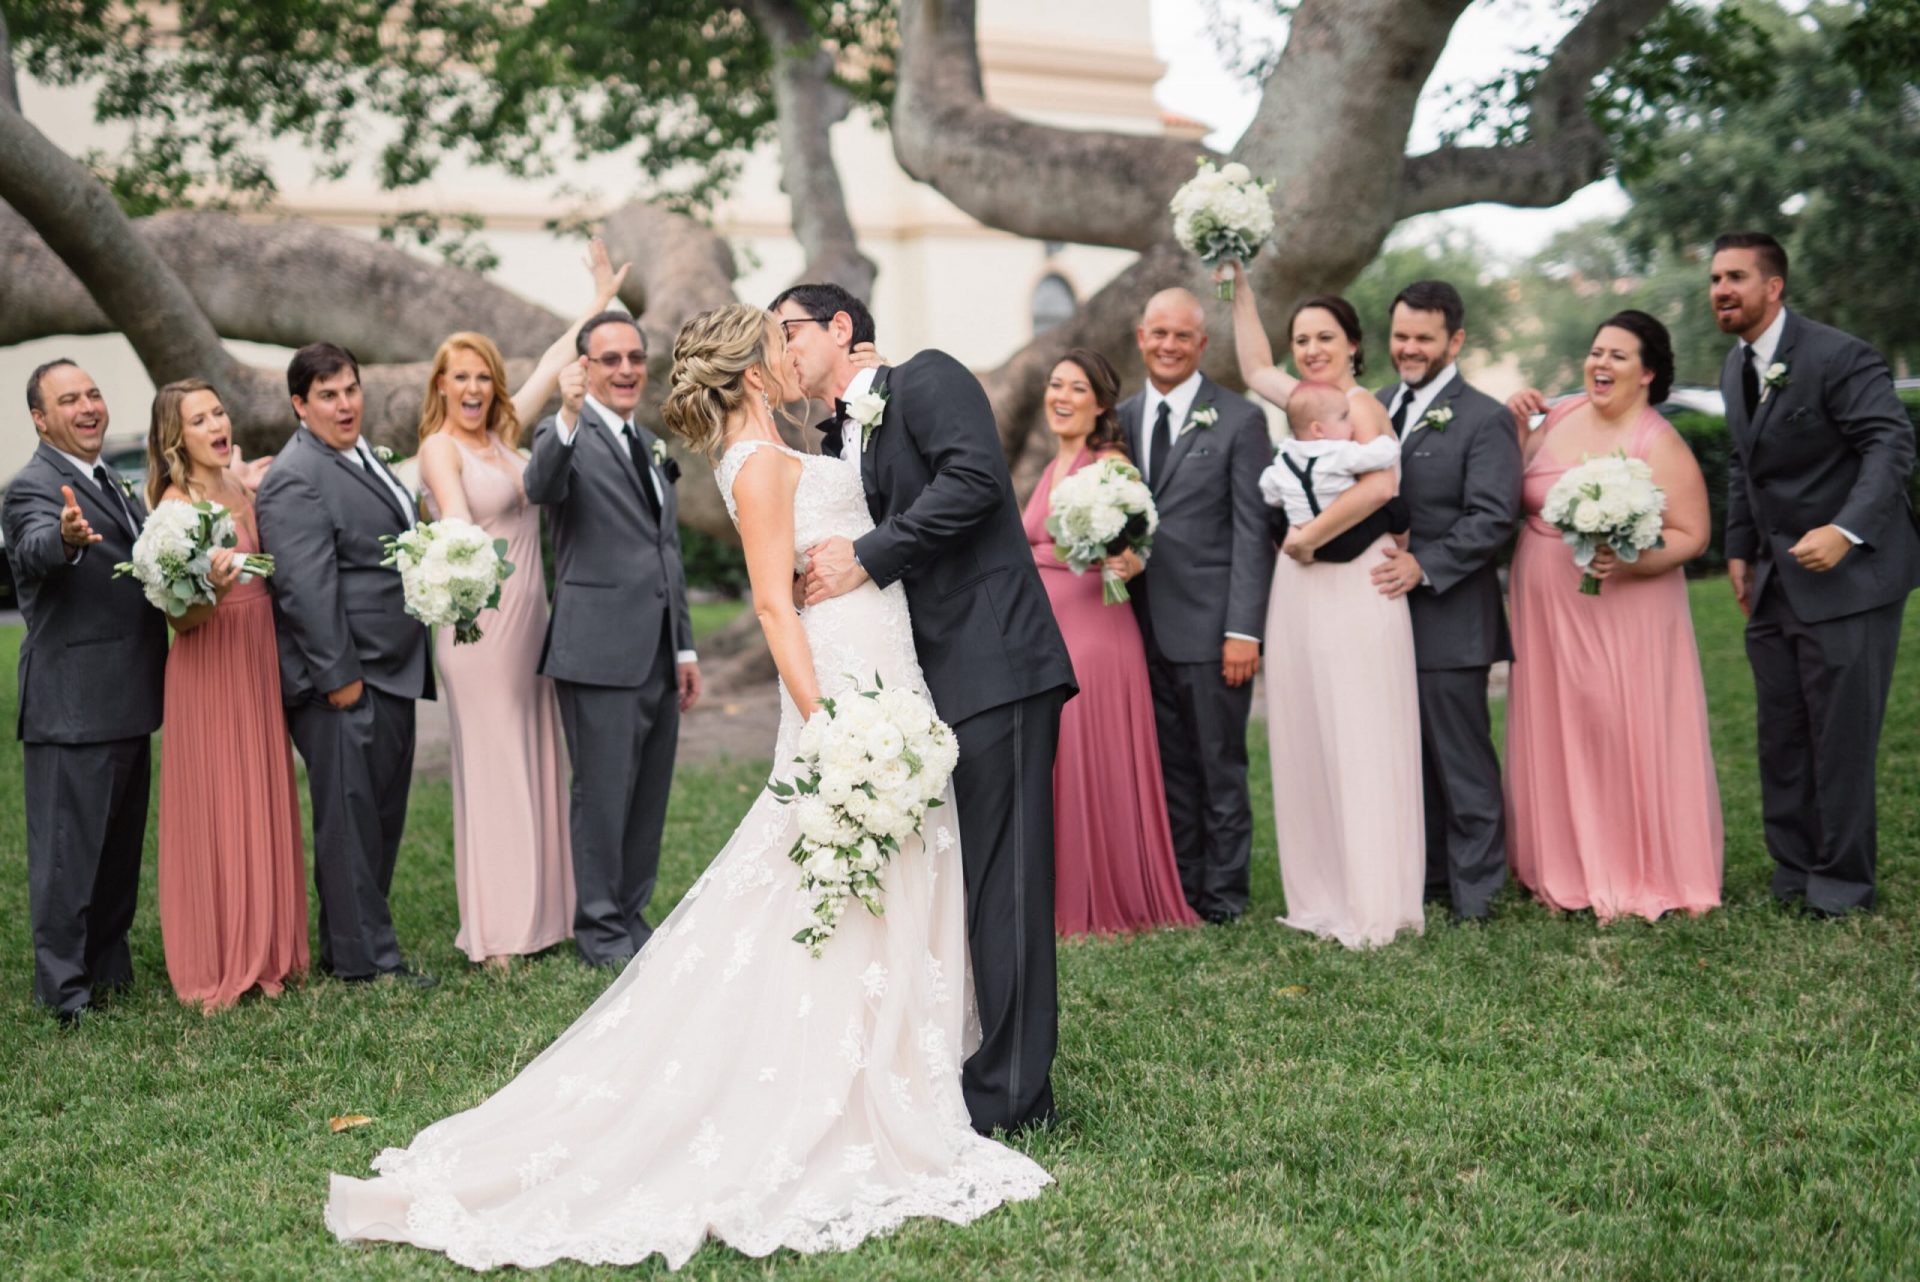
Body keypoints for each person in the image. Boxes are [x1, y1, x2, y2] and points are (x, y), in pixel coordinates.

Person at [326, 304, 1051, 1270]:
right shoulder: (756, 467)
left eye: (801, 334)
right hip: (843, 688)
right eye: (781, 343)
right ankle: (845, 1080)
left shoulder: (822, 432)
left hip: (893, 666)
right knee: (825, 885)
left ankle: (912, 1060)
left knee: (899, 870)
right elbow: (767, 601)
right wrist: (827, 721)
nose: (795, 356)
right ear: (757, 369)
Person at [780, 281, 1077, 1136]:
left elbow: (977, 481)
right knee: (973, 880)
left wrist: (869, 557)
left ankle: (1015, 1095)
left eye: (791, 332)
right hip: (931, 681)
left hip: (998, 662)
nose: (784, 349)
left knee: (1008, 884)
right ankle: (975, 1056)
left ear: (842, 328)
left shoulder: (927, 378)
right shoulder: (839, 433)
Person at [1227, 264, 1521, 921]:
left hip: (1432, 600)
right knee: (1392, 751)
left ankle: (1477, 895)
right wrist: (1239, 287)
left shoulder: (1468, 415)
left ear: (1455, 340)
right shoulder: (1363, 401)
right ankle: (1429, 879)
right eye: (1403, 335)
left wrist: (1322, 542)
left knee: (1456, 754)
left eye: (1424, 337)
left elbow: (1483, 513)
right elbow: (1253, 366)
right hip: (1365, 597)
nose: (1410, 347)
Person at [414, 241, 628, 970]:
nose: (473, 388)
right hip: (478, 629)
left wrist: (599, 299)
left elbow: (549, 364)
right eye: (460, 377)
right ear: (441, 385)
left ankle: (544, 916)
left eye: (483, 377)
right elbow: (450, 518)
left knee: (537, 760)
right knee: (497, 767)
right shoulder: (442, 448)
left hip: (533, 623)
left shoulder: (505, 441)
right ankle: (500, 932)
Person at [1711, 231, 1920, 915]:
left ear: (1774, 286)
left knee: (1842, 740)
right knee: (1782, 735)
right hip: (1774, 583)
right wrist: (1739, 550)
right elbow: (1746, 467)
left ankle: (1842, 885)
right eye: (1715, 279)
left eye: (1736, 276)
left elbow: (1889, 444)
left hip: (1850, 581)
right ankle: (1794, 872)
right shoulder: (1732, 368)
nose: (1721, 290)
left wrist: (1846, 530)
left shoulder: (1839, 355)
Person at [1223, 279, 1425, 948]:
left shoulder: (1362, 407)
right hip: (1299, 590)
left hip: (1353, 584)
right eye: (1302, 339)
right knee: (1305, 726)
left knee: (1359, 730)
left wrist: (1306, 537)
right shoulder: (1303, 400)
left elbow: (1382, 484)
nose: (1311, 350)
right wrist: (1241, 285)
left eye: (1325, 338)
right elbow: (1254, 367)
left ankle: (1371, 900)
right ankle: (1319, 894)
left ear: (1353, 345)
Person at [1503, 311, 1722, 921]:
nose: (1600, 364)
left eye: (1618, 356)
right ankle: (1563, 862)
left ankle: (1638, 865)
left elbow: (1694, 534)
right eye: (1596, 352)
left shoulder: (1658, 440)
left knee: (1615, 724)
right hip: (1544, 603)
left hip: (1625, 607)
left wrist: (1633, 563)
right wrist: (1521, 429)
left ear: (1648, 372)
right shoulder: (1565, 414)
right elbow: (1520, 486)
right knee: (1559, 723)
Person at [524, 310, 701, 968]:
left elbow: (666, 552)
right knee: (600, 792)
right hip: (596, 650)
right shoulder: (563, 434)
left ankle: (631, 914)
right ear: (585, 368)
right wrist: (566, 415)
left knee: (647, 791)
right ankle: (599, 930)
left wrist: (683, 646)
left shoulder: (649, 443)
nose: (626, 369)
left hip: (657, 648)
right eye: (610, 360)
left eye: (634, 357)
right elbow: (540, 485)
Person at [257, 343, 437, 987]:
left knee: (377, 816)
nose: (345, 404)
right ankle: (368, 962)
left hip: (391, 666)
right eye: (328, 394)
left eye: (351, 389)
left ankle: (348, 945)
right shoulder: (295, 476)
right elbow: (306, 590)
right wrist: (341, 683)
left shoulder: (361, 456)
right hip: (346, 680)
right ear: (300, 405)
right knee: (350, 822)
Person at [4, 360, 167, 1023]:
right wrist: (67, 541)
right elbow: (37, 545)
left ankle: (108, 970)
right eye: (68, 400)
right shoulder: (31, 489)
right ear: (41, 419)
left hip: (127, 696)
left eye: (93, 394)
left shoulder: (113, 482)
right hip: (72, 705)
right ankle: (64, 994)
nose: (88, 407)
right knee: (68, 859)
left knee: (117, 854)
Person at [1020, 349, 1198, 936]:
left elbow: (1136, 544)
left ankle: (1107, 893)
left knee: (1086, 753)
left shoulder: (1109, 462)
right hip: (1050, 630)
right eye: (1055, 385)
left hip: (1095, 630)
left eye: (1076, 388)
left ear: (1100, 404)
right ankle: (1064, 885)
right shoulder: (1053, 465)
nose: (1061, 397)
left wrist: (1128, 559)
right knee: (1057, 759)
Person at [145, 379, 309, 1009]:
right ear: (175, 437)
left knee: (261, 792)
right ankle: (222, 955)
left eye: (218, 412)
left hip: (255, 655)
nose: (216, 424)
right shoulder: (173, 507)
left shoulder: (238, 485)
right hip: (209, 663)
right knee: (220, 801)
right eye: (199, 419)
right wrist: (207, 587)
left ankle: (270, 946)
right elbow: (178, 621)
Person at [1112, 287, 1272, 926]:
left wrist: (1243, 630)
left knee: (1220, 767)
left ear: (1202, 343)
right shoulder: (1118, 419)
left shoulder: (1239, 420)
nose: (1169, 346)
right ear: (1140, 336)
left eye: (1182, 336)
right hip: (1136, 627)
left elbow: (1252, 533)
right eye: (1159, 334)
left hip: (1212, 631)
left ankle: (1226, 898)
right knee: (1169, 768)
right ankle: (1182, 890)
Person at [1258, 380, 1405, 563]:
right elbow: (1381, 455)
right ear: (1318, 429)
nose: (1351, 424)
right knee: (1396, 508)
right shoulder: (1338, 453)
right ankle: (1402, 544)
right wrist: (1387, 437)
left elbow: (1269, 492)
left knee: (1274, 516)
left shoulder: (1283, 460)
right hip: (1341, 542)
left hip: (1300, 532)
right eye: (1344, 417)